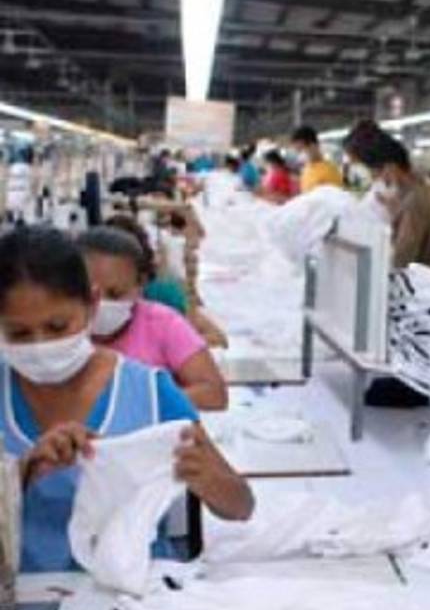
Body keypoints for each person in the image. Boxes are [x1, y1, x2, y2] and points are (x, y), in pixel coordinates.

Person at [0, 227, 252, 574]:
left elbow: (240, 506)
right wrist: (21, 474)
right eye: (19, 334)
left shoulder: (149, 392)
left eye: (58, 327)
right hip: (21, 594)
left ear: (92, 305)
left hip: (131, 594)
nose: (40, 345)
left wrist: (206, 478)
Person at [77, 227, 228, 411]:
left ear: (140, 284)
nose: (101, 304)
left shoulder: (163, 325)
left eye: (115, 294)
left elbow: (213, 393)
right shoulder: (60, 329)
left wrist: (146, 403)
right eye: (90, 294)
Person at [343, 120, 430, 270]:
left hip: (419, 283)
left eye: (374, 173)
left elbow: (400, 262)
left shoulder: (414, 202)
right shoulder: (413, 192)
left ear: (389, 167)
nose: (376, 179)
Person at [291, 125, 344, 193]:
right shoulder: (306, 170)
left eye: (301, 150)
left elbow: (336, 198)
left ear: (313, 145)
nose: (300, 155)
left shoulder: (330, 171)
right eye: (298, 151)